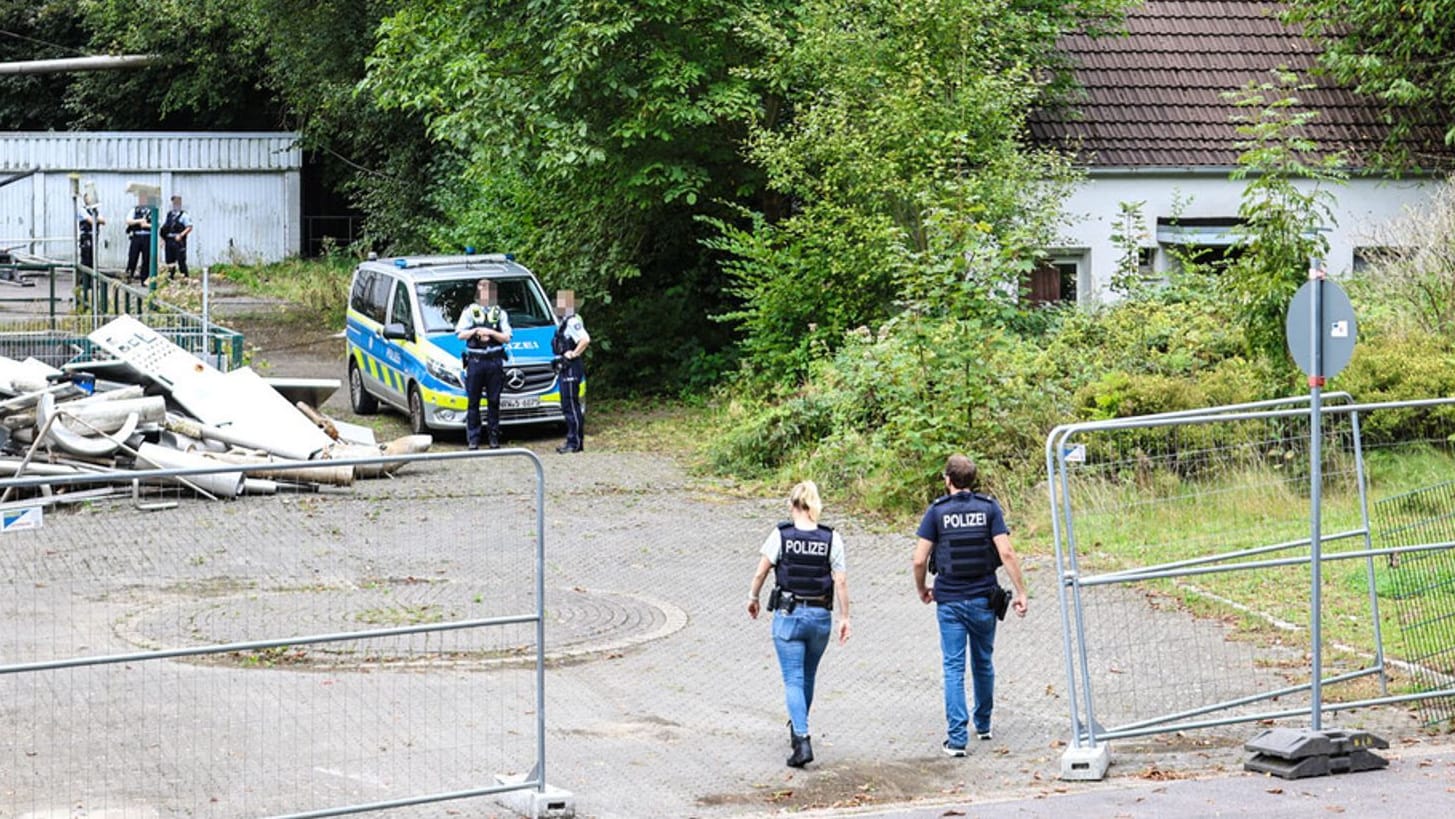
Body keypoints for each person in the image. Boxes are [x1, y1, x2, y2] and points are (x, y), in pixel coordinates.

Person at [912, 454, 1028, 757]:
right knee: (983, 662)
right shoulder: (989, 508)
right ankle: (984, 724)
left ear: (947, 479)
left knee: (953, 667)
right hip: (983, 598)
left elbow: (919, 559)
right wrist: (1021, 592)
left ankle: (957, 739)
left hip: (949, 600)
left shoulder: (936, 513)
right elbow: (1007, 553)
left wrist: (922, 588)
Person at [748, 480, 851, 768]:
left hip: (789, 616)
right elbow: (840, 580)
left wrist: (753, 597)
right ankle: (798, 729)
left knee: (792, 679)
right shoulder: (832, 538)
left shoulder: (781, 535)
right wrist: (845, 617)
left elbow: (761, 572)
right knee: (807, 676)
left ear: (793, 505)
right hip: (820, 617)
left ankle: (802, 739)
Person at [454, 278, 511, 449]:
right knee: (473, 402)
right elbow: (460, 334)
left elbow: (507, 337)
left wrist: (492, 333)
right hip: (476, 361)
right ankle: (473, 439)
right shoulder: (470, 311)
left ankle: (494, 438)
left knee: (494, 401)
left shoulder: (500, 313)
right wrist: (476, 331)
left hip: (494, 361)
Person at [551, 289, 589, 454]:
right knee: (566, 404)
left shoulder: (573, 322)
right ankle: (571, 440)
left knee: (572, 405)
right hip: (565, 367)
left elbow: (585, 339)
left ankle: (576, 442)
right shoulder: (563, 322)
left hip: (572, 367)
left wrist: (573, 354)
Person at [161, 195, 193, 277]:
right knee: (169, 261)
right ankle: (170, 278)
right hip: (169, 240)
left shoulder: (184, 215)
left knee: (181, 261)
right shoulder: (169, 215)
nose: (174, 205)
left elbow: (189, 227)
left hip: (179, 241)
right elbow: (165, 228)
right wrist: (163, 239)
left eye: (176, 203)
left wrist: (181, 235)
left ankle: (185, 278)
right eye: (173, 203)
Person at [124, 194, 153, 282]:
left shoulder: (152, 211)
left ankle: (144, 279)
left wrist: (147, 225)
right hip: (136, 236)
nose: (142, 201)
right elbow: (128, 221)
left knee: (146, 259)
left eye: (144, 199)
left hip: (147, 236)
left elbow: (157, 224)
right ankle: (128, 276)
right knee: (132, 257)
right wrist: (139, 221)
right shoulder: (135, 210)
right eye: (141, 199)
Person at [77, 194, 105, 270]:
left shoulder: (95, 210)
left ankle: (92, 280)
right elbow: (91, 221)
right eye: (89, 198)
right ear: (85, 200)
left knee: (93, 258)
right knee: (86, 259)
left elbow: (103, 221)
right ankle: (84, 279)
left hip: (94, 236)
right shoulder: (82, 210)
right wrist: (97, 219)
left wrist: (96, 219)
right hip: (86, 236)